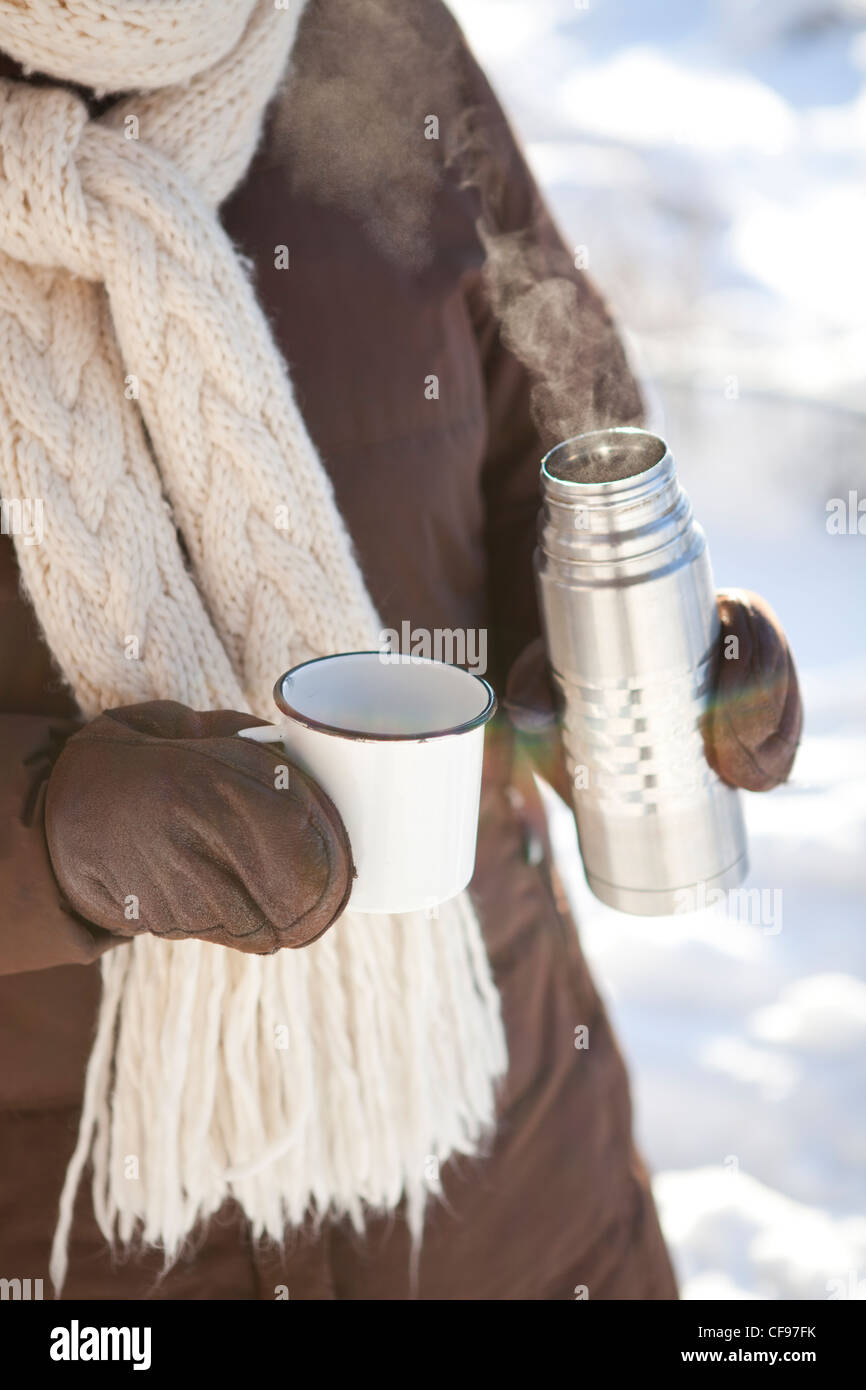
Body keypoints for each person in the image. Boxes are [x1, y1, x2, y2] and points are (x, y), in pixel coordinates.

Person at [0, 0, 800, 1300]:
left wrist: (600, 666)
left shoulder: (371, 31)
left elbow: (561, 429)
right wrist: (60, 837)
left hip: (504, 1152)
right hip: (87, 1232)